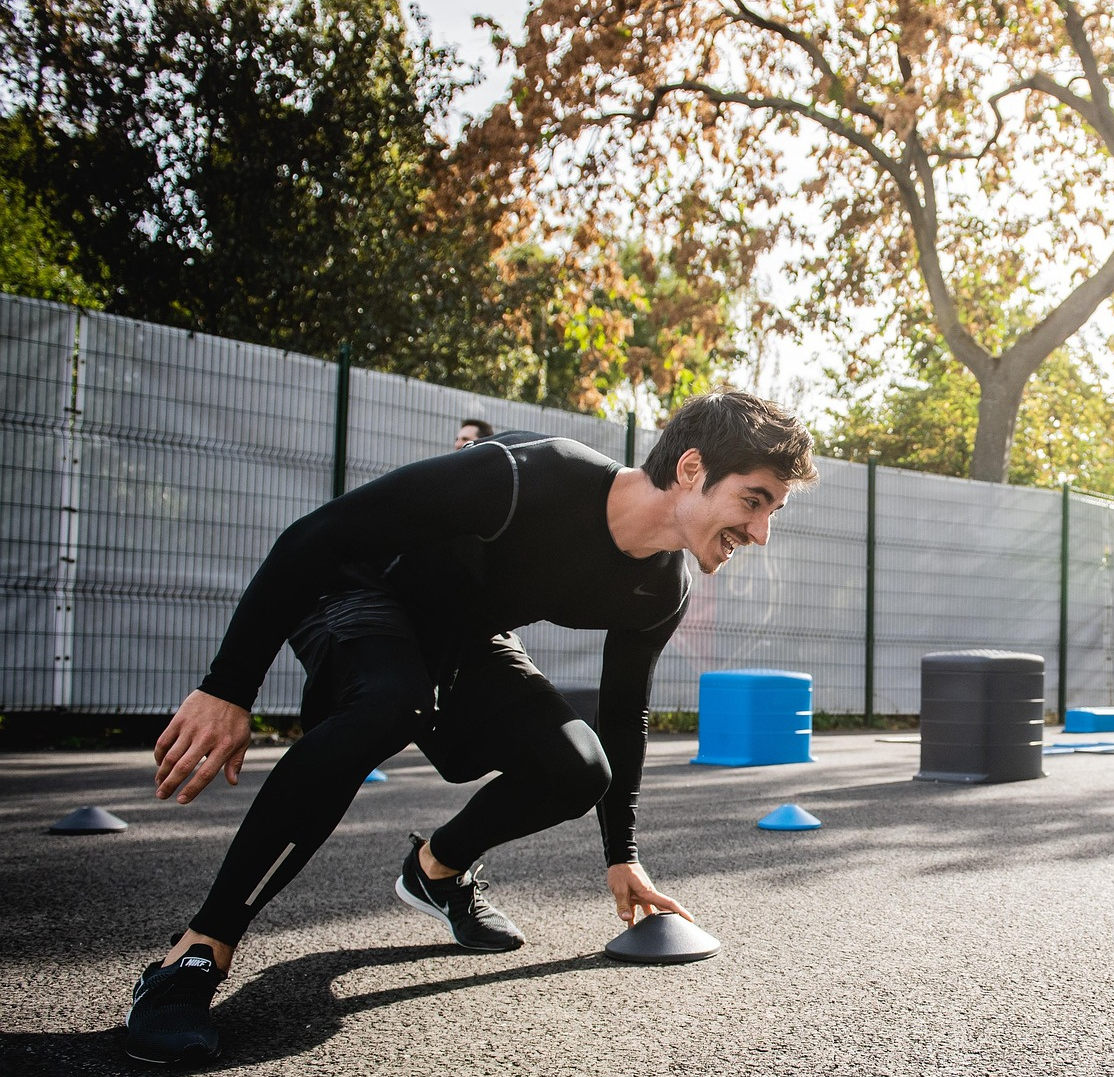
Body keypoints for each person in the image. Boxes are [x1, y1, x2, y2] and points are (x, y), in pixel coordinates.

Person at [123, 390, 816, 1064]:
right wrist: (228, 688)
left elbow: (622, 714)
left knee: (579, 769)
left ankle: (437, 871)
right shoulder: (525, 476)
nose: (760, 533)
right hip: (359, 589)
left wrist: (622, 853)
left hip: (461, 633)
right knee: (391, 701)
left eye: (772, 512)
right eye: (753, 501)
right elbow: (315, 537)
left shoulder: (660, 589)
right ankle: (196, 953)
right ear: (691, 469)